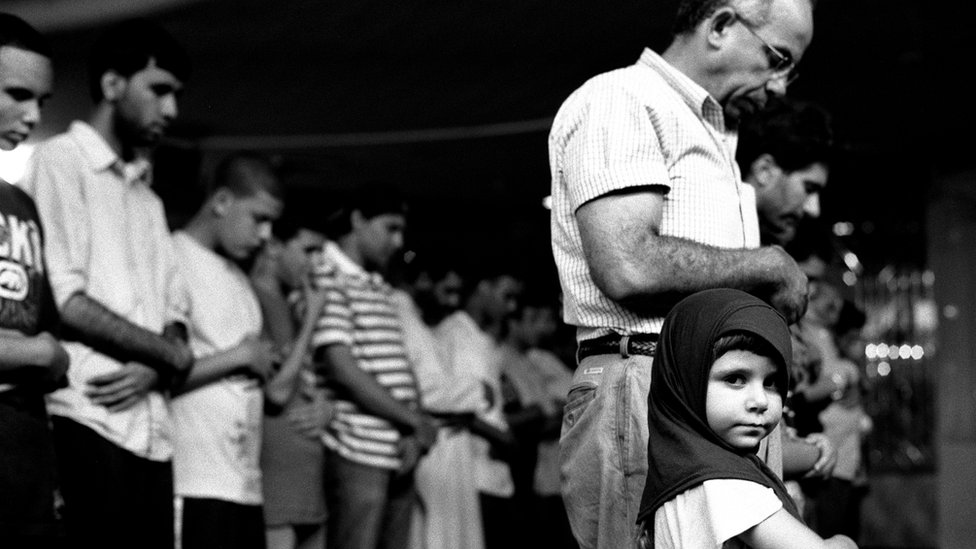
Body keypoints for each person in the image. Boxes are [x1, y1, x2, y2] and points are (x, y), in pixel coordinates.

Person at [547, 0, 815, 545]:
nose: (781, 84)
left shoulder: (715, 132)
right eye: (778, 58)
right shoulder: (622, 100)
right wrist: (767, 265)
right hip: (642, 381)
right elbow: (626, 265)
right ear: (720, 26)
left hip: (697, 389)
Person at [22, 18, 193, 549]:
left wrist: (161, 360)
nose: (172, 111)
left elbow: (177, 314)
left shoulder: (149, 197)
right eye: (159, 90)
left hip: (153, 431)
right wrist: (167, 356)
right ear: (113, 85)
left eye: (176, 95)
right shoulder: (59, 161)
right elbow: (64, 300)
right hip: (87, 417)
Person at [635, 288, 857, 549]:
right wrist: (844, 542)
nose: (761, 401)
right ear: (684, 383)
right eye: (735, 379)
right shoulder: (728, 487)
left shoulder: (677, 472)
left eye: (772, 382)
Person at [312, 182, 437, 549]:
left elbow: (397, 364)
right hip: (356, 449)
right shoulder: (327, 274)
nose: (398, 242)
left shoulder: (378, 285)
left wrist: (413, 432)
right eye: (390, 228)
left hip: (397, 446)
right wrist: (414, 420)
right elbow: (341, 367)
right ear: (358, 220)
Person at [170, 152, 285, 549]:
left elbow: (270, 373)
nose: (266, 235)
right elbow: (157, 373)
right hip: (194, 482)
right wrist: (239, 357)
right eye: (259, 218)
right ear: (221, 202)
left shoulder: (239, 277)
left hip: (245, 485)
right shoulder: (173, 257)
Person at [0, 13, 64, 548]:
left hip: (24, 445)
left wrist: (48, 354)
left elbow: (46, 334)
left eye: (41, 101)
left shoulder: (20, 202)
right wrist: (37, 354)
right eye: (18, 93)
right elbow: (41, 350)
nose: (32, 115)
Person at [250, 206, 333, 549]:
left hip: (308, 484)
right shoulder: (253, 297)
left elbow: (305, 379)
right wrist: (312, 319)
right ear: (274, 246)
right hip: (277, 485)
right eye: (308, 250)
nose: (314, 263)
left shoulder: (289, 303)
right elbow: (278, 392)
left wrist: (328, 407)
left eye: (320, 253)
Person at [435, 269, 521, 549]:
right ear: (484, 287)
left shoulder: (483, 340)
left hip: (496, 475)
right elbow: (450, 405)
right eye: (506, 296)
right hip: (468, 474)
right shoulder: (452, 334)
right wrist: (501, 437)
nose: (511, 307)